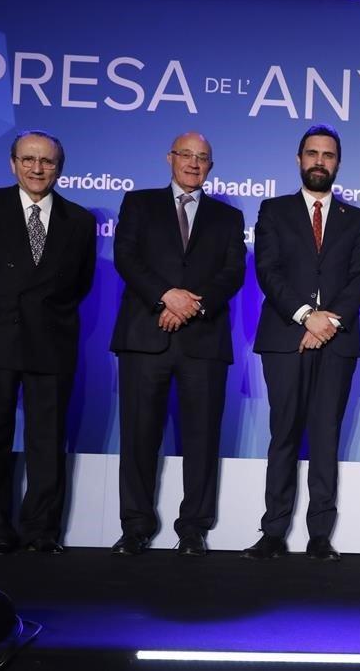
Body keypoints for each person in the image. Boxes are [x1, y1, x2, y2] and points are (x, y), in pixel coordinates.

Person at [0, 129, 96, 555]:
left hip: (50, 342)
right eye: (28, 159)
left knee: (48, 441)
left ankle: (41, 530)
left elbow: (80, 282)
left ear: (58, 168)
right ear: (13, 164)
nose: (37, 168)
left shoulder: (80, 220)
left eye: (46, 161)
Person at [109, 132, 246, 557]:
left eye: (202, 157)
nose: (193, 163)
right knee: (137, 436)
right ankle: (135, 527)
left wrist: (190, 306)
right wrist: (166, 295)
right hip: (145, 336)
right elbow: (126, 257)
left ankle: (193, 529)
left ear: (211, 165)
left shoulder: (227, 217)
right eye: (186, 155)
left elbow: (232, 273)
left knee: (202, 439)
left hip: (202, 341)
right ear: (170, 158)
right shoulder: (139, 203)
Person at [243, 125, 360, 562]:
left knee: (325, 436)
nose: (320, 161)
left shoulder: (355, 219)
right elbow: (268, 271)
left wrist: (327, 322)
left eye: (328, 155)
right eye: (312, 154)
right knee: (283, 434)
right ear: (299, 159)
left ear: (338, 163)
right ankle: (273, 531)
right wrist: (305, 316)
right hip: (286, 337)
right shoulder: (273, 211)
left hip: (336, 342)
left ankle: (320, 534)